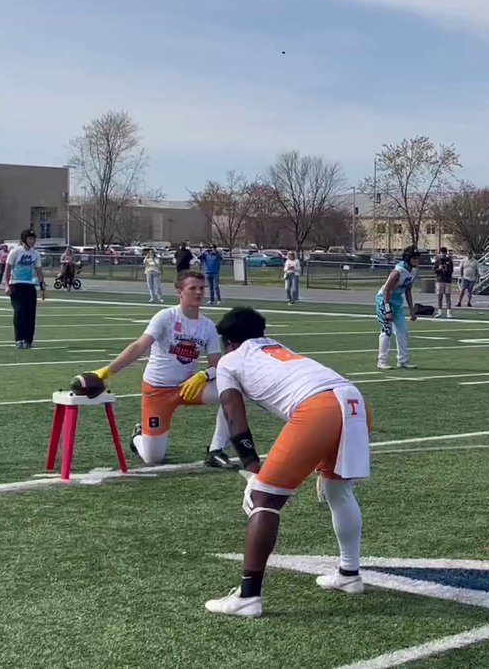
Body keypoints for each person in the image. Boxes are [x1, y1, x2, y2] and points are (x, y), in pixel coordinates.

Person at [203, 307, 371, 617]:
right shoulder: (276, 346)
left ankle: (248, 597)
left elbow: (233, 416)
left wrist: (252, 467)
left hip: (320, 408)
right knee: (338, 491)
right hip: (353, 400)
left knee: (263, 499)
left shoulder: (230, 359)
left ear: (228, 342)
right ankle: (349, 574)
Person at [82, 270, 235, 467]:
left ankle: (216, 450)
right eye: (192, 288)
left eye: (201, 288)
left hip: (188, 387)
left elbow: (217, 363)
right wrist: (107, 371)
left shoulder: (208, 326)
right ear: (179, 292)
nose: (198, 292)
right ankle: (138, 436)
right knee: (153, 458)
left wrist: (203, 375)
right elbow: (140, 346)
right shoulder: (166, 316)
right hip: (158, 390)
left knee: (233, 392)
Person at [375, 248, 419, 370]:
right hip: (384, 301)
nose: (417, 260)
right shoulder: (398, 271)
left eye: (417, 258)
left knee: (402, 331)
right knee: (386, 331)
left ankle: (402, 361)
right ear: (408, 259)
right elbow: (386, 290)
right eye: (414, 258)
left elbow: (408, 290)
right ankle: (382, 361)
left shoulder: (413, 272)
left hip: (397, 303)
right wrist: (387, 310)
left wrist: (411, 309)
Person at [4, 229, 45, 350]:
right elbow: (7, 269)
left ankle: (28, 340)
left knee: (30, 313)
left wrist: (42, 285)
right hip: (16, 285)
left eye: (33, 239)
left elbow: (39, 270)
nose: (32, 241)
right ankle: (19, 339)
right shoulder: (15, 252)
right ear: (24, 240)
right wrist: (6, 285)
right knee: (19, 311)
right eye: (30, 238)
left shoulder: (35, 254)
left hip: (29, 285)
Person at [434, 247, 455, 318]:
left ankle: (448, 312)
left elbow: (451, 271)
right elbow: (434, 270)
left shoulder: (449, 260)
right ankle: (439, 312)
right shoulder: (438, 260)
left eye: (444, 253)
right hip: (440, 280)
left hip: (447, 281)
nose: (443, 254)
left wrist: (446, 269)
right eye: (442, 253)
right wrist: (439, 269)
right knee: (440, 296)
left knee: (448, 297)